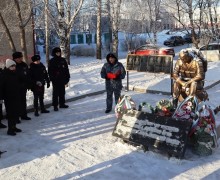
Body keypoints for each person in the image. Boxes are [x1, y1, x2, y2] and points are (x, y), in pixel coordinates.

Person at [0, 59, 22, 135]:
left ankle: (14, 127)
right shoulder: (4, 75)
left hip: (16, 96)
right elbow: (1, 87)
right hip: (8, 97)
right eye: (12, 66)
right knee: (11, 114)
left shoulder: (15, 73)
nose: (14, 67)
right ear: (8, 66)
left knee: (16, 112)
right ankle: (10, 129)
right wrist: (1, 97)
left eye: (14, 66)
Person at [48, 47, 70, 111]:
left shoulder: (63, 60)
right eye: (57, 53)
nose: (58, 53)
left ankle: (62, 104)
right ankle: (55, 105)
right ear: (54, 53)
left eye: (59, 52)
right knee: (55, 93)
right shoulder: (52, 61)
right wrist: (52, 78)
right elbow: (50, 71)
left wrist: (67, 77)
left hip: (62, 79)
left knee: (62, 92)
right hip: (55, 79)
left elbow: (66, 69)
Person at [12, 52, 31, 121]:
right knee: (16, 102)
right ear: (15, 58)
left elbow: (28, 75)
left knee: (23, 101)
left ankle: (24, 115)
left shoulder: (24, 65)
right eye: (19, 58)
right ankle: (16, 117)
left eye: (21, 57)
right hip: (15, 87)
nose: (20, 59)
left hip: (23, 86)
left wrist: (28, 84)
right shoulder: (12, 65)